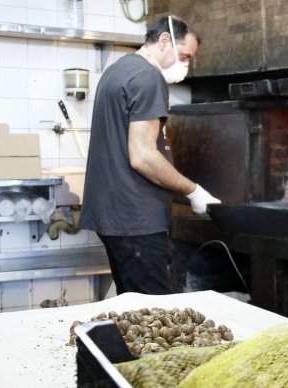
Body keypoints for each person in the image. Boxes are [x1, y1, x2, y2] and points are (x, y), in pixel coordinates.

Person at [79, 15, 220, 295]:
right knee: (153, 312)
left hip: (115, 216)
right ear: (164, 40)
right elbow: (143, 155)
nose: (185, 66)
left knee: (132, 307)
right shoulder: (147, 76)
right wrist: (194, 191)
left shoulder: (117, 70)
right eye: (184, 56)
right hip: (136, 220)